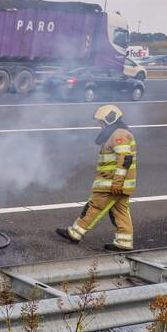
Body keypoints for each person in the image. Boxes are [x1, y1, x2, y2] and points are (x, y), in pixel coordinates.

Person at [56, 104, 137, 251]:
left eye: (101, 122)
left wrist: (117, 183)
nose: (100, 126)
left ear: (109, 120)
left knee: (94, 207)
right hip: (116, 185)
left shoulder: (119, 135)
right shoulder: (118, 133)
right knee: (120, 211)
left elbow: (125, 159)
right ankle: (124, 242)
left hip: (111, 184)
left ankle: (75, 233)